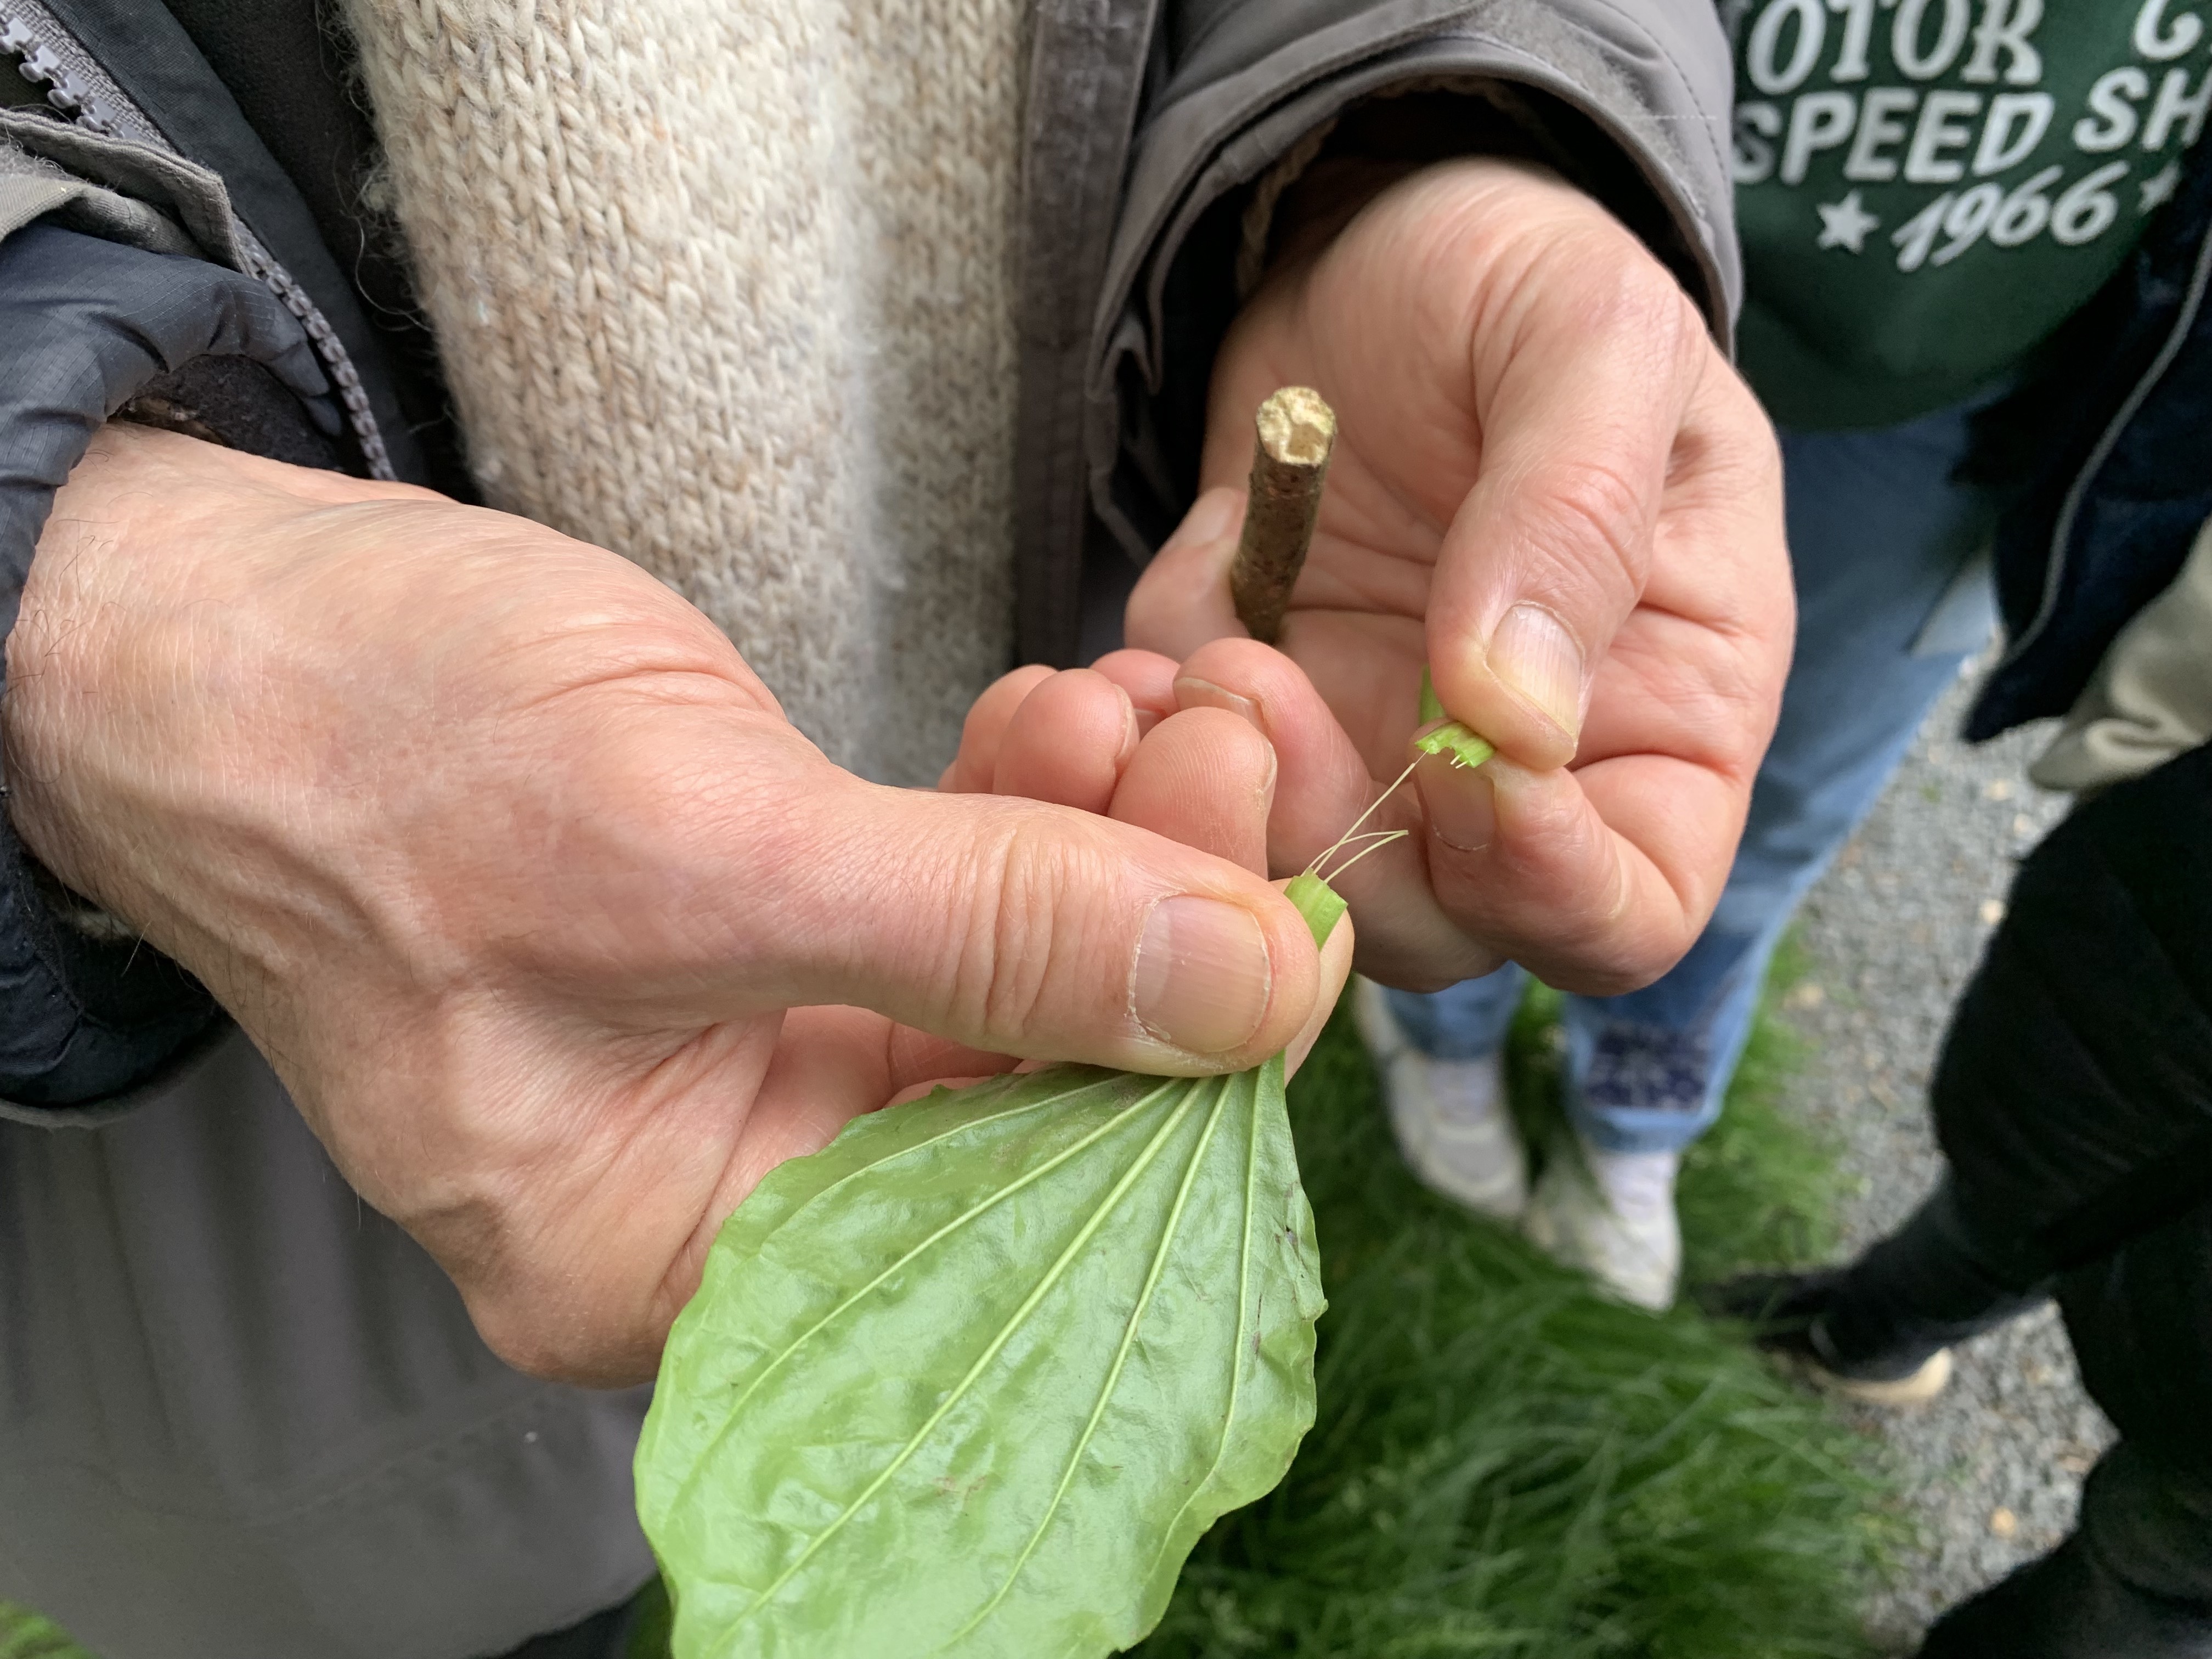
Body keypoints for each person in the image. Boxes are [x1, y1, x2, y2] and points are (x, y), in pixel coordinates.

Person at [0, 2, 1787, 1656]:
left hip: (1063, 662)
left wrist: (1427, 131)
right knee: (402, 1579)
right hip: (224, 1175)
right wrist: (85, 589)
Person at [1282, 0, 2212, 1311]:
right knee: (1417, 742)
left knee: (1757, 817)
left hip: (1967, 404)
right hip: (1582, 254)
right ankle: (1439, 1031)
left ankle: (1638, 1111)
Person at [1713, 521, 2212, 1655]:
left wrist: (2138, 744)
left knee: (2161, 1563)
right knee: (2026, 1190)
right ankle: (1863, 1335)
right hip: (2168, 984)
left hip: (2162, 948)